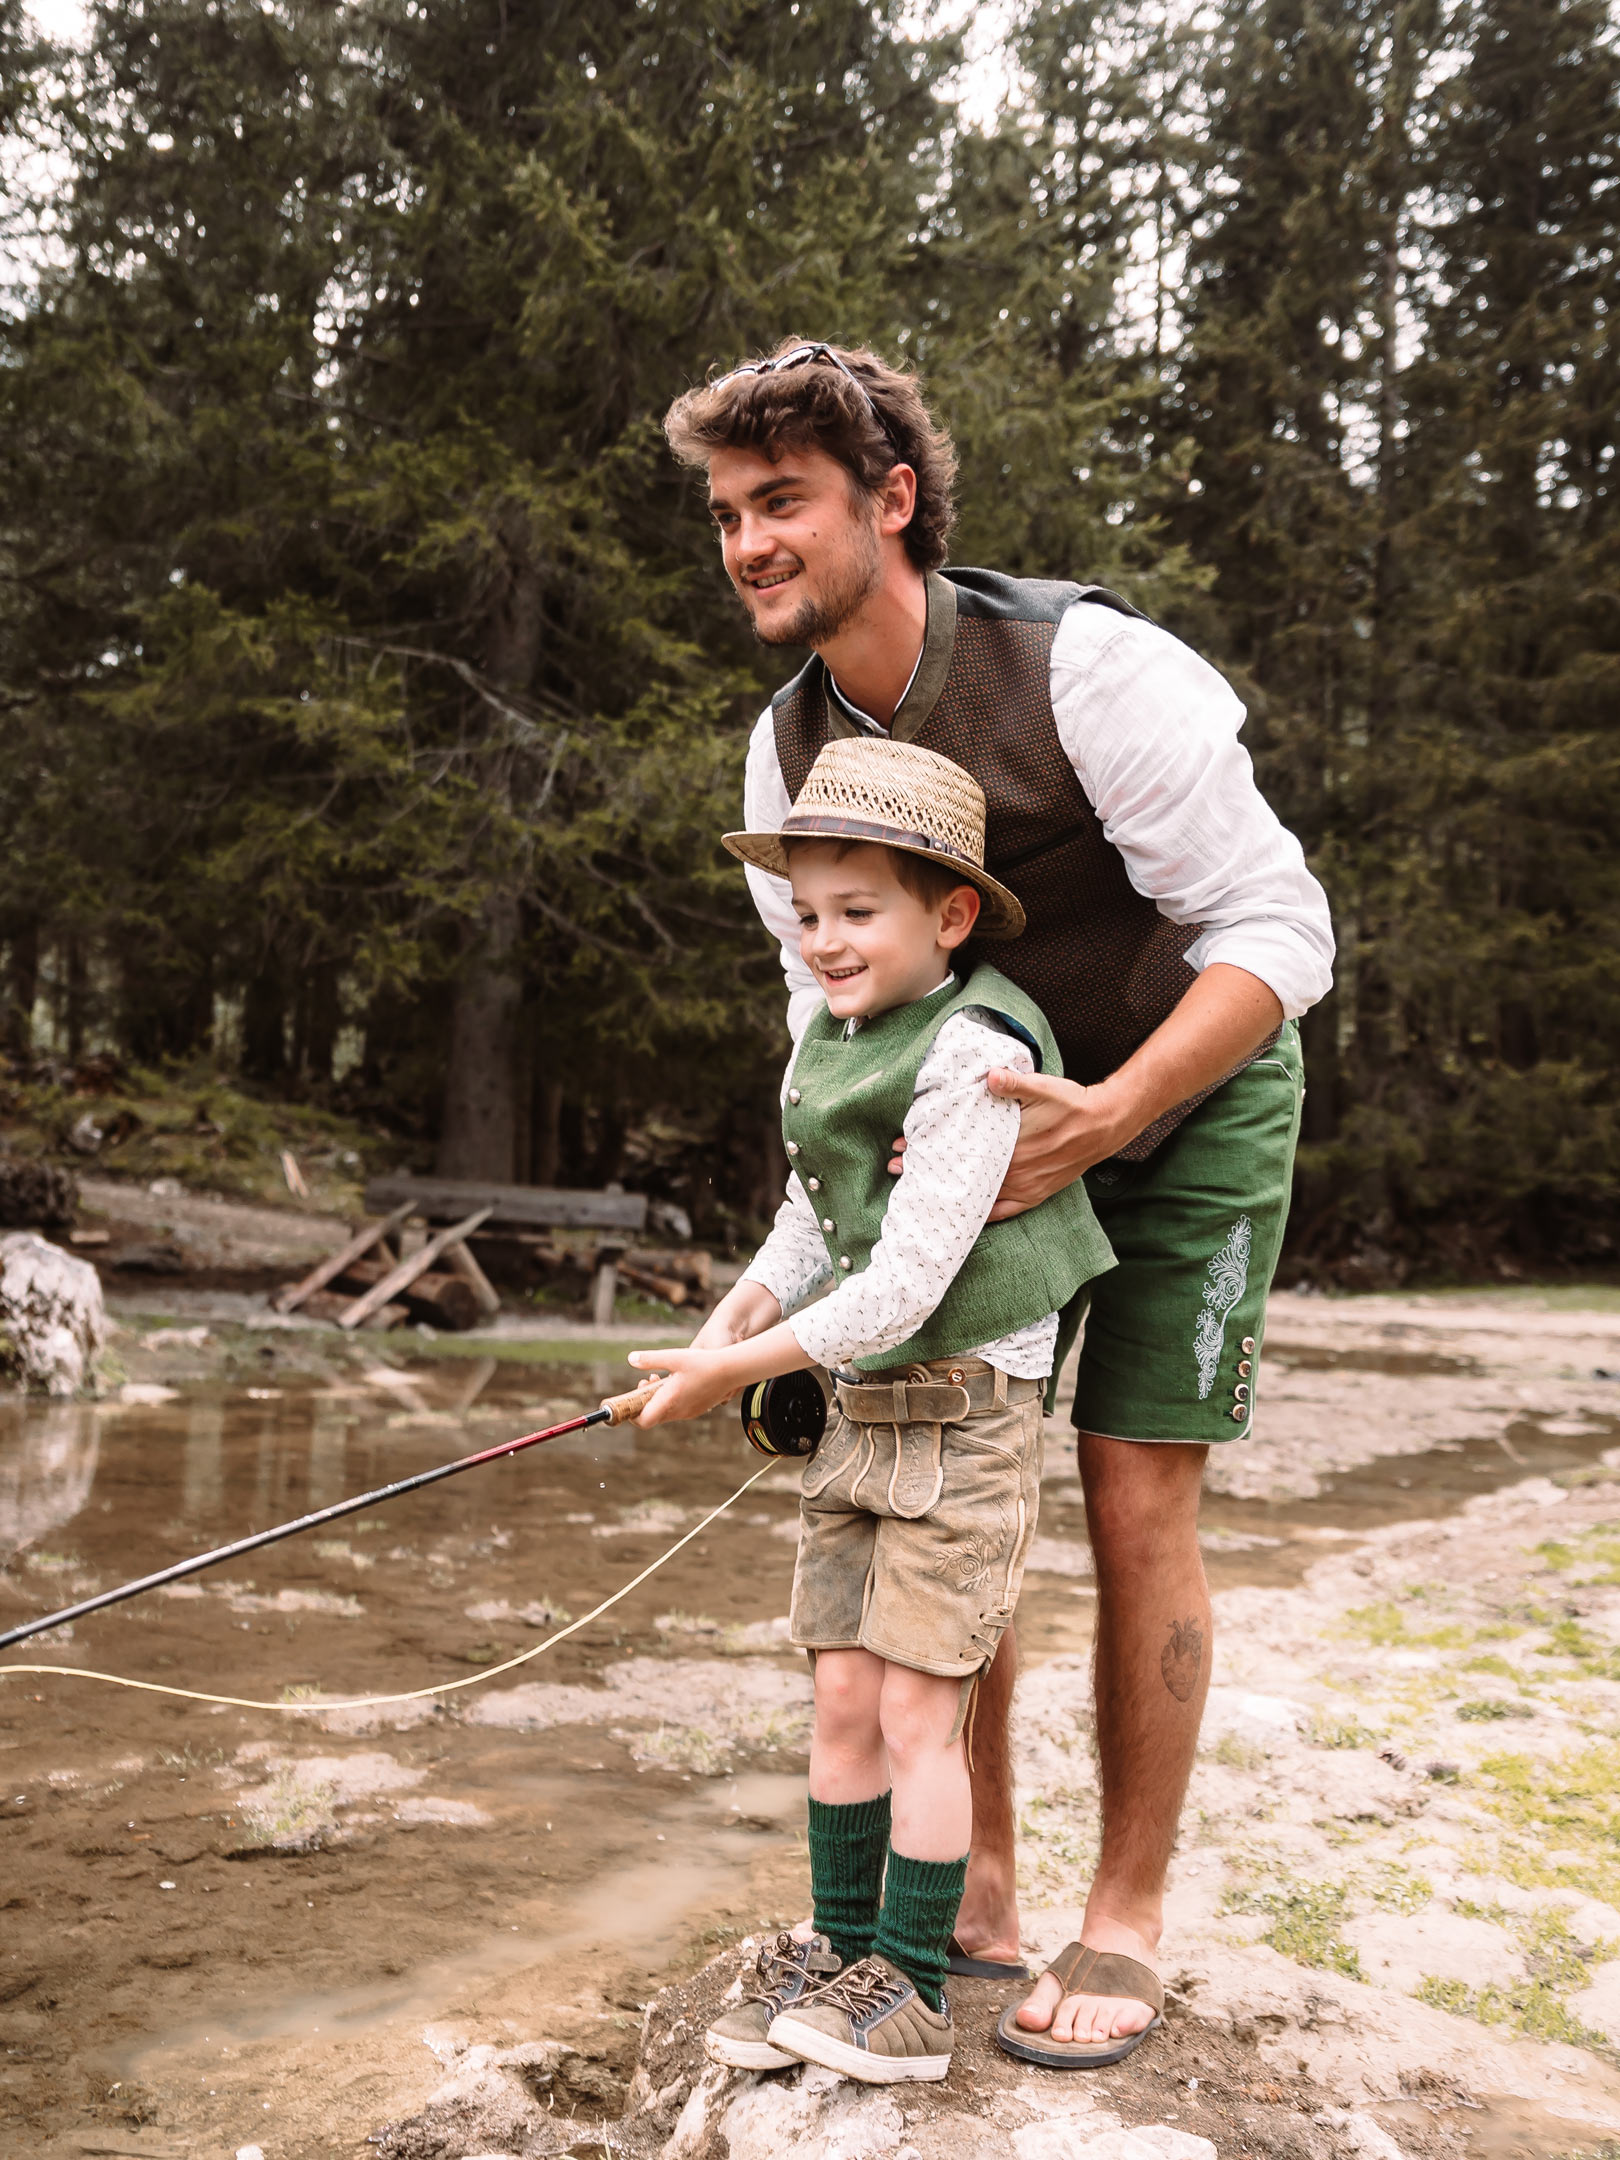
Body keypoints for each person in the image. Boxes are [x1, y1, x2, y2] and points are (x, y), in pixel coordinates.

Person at [660, 339, 1334, 2069]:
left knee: (1130, 1497)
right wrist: (785, 1281)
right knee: (965, 1478)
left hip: (1181, 1091)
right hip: (960, 1136)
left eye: (782, 501)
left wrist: (1107, 1112)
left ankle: (1121, 1921)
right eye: (729, 512)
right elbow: (832, 1025)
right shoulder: (782, 754)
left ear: (889, 503)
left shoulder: (1090, 671)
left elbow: (1281, 930)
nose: (747, 541)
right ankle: (983, 1891)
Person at [626, 732, 1117, 2084]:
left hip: (965, 1410)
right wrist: (729, 1318)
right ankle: (840, 1954)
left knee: (917, 1709)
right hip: (863, 1411)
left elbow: (904, 1281)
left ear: (948, 914)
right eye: (807, 912)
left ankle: (908, 1986)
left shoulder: (971, 1052)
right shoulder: (824, 1031)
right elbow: (813, 1211)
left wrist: (740, 1372)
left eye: (859, 913)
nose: (825, 940)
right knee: (839, 1691)